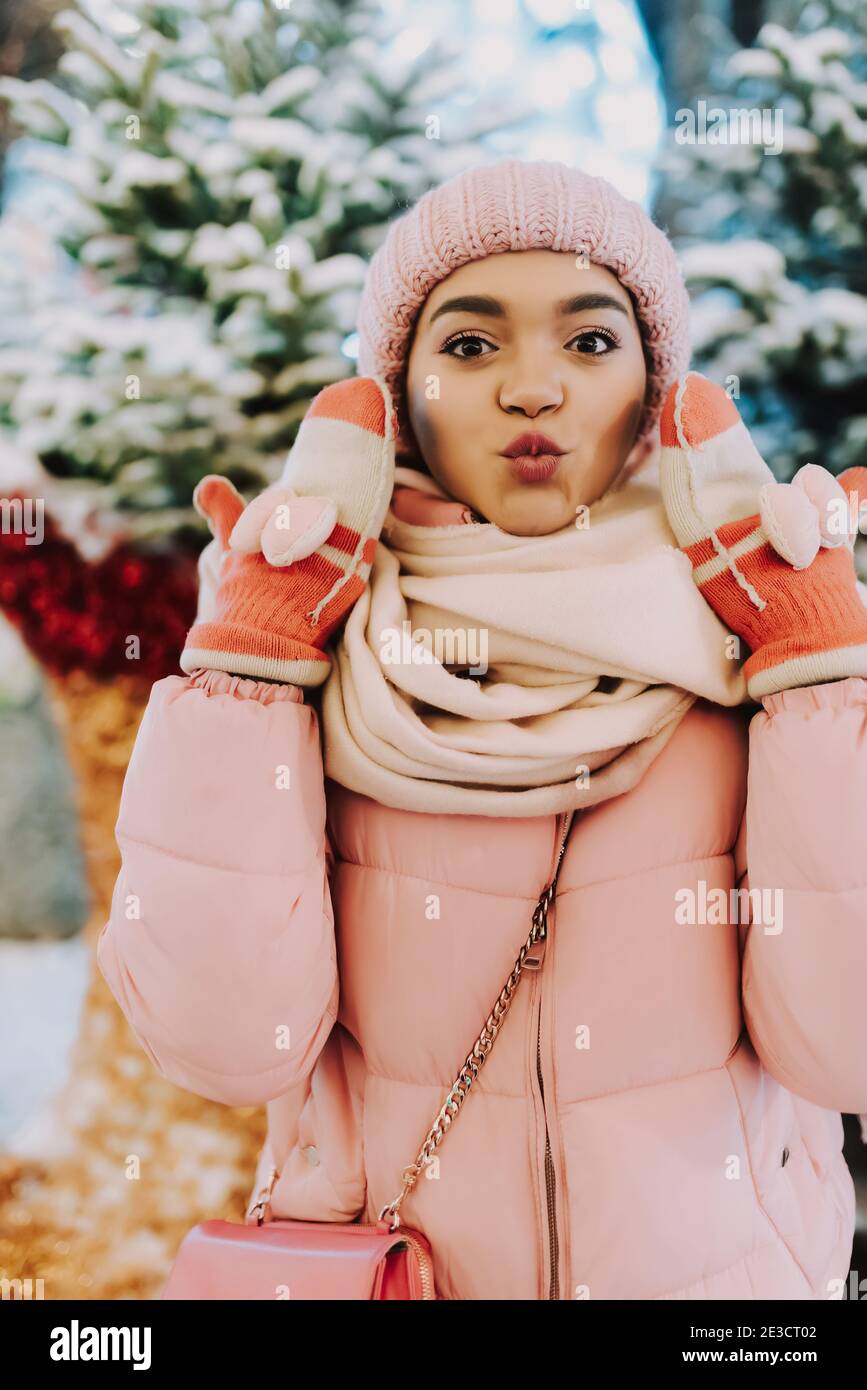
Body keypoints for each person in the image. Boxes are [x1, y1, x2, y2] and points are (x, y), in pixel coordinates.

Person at [97, 158, 867, 1301]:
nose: (533, 389)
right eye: (468, 344)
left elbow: (845, 1045)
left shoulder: (753, 655)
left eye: (592, 342)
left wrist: (822, 677)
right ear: (396, 397)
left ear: (659, 386)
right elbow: (226, 1043)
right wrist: (248, 672)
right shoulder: (313, 658)